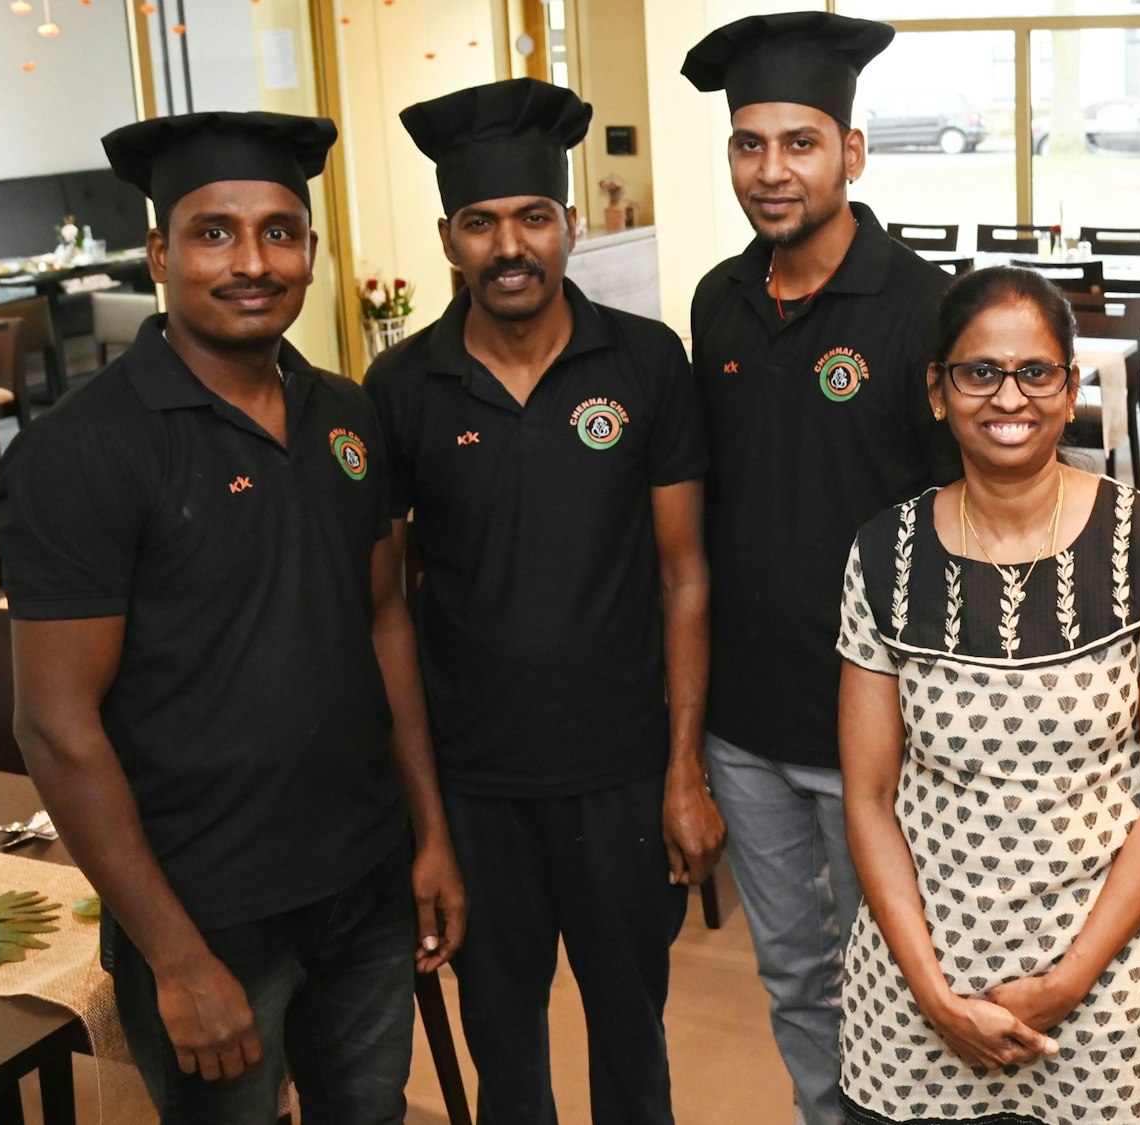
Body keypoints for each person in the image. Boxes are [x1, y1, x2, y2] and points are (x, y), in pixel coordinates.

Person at [0, 110, 465, 1123]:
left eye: (280, 231)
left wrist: (426, 835)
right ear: (159, 252)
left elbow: (385, 621)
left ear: (308, 249)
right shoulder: (86, 453)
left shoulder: (346, 414)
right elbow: (56, 727)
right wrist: (174, 958)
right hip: (209, 913)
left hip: (362, 881)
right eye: (214, 232)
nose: (252, 261)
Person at [366, 77, 719, 1125]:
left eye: (530, 217)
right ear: (447, 238)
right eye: (480, 223)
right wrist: (423, 820)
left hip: (618, 779)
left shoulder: (646, 361)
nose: (508, 245)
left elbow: (683, 574)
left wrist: (682, 769)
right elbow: (388, 608)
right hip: (476, 790)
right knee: (503, 1053)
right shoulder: (399, 389)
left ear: (568, 224)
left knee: (631, 1043)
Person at [836, 267, 1140, 1125]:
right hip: (920, 979)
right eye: (979, 372)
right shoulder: (884, 554)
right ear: (939, 391)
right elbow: (867, 796)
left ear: (1071, 387)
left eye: (1036, 372)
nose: (1010, 395)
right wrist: (932, 993)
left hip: (1107, 983)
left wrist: (1067, 980)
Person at [682, 13, 960, 1123]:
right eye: (749, 144)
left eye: (799, 143)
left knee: (902, 974)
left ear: (852, 151)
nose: (771, 170)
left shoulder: (925, 307)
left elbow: (969, 519)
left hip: (883, 726)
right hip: (748, 727)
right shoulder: (717, 299)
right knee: (795, 978)